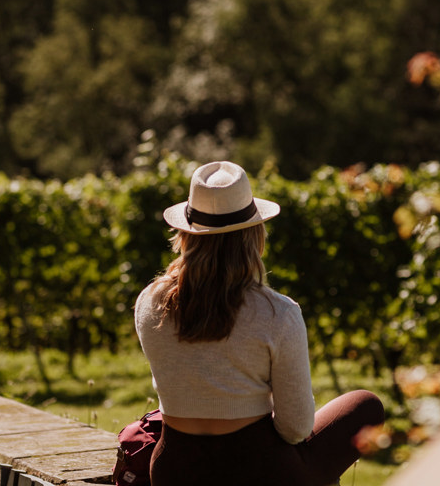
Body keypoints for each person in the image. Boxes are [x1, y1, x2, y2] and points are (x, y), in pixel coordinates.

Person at [135, 160, 385, 486]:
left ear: (185, 233)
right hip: (259, 474)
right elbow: (294, 428)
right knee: (366, 406)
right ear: (255, 234)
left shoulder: (149, 302)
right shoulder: (277, 313)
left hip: (175, 472)